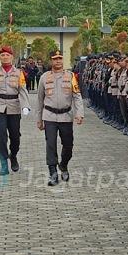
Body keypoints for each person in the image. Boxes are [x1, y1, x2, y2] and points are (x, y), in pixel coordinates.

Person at [35, 50, 84, 186]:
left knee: (68, 145)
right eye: (55, 59)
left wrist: (79, 113)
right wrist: (39, 119)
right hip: (49, 116)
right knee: (50, 144)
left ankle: (63, 165)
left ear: (63, 60)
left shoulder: (71, 76)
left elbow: (77, 96)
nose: (57, 61)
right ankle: (53, 173)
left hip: (66, 116)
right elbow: (40, 99)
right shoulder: (44, 77)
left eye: (60, 58)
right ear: (51, 61)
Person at [0, 46, 31, 176]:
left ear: (12, 57)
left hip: (14, 107)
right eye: (2, 55)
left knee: (15, 137)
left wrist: (25, 106)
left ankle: (14, 155)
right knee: (1, 137)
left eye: (7, 55)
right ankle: (3, 165)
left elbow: (23, 90)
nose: (5, 57)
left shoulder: (19, 73)